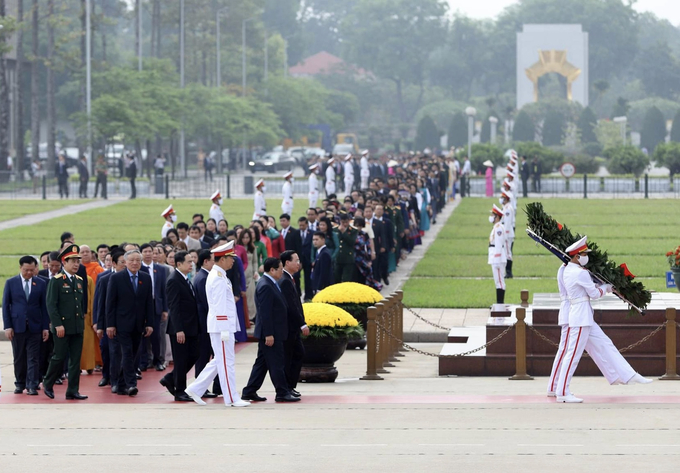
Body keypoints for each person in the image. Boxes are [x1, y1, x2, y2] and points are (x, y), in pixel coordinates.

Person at [554, 236, 652, 403]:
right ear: (577, 256)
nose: (587, 257)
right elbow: (594, 294)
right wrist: (606, 287)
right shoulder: (579, 273)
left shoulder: (569, 270)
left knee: (605, 344)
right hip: (579, 319)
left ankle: (629, 375)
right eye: (584, 254)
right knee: (573, 356)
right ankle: (562, 391)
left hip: (584, 317)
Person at [185, 242, 250, 407]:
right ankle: (232, 398)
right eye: (231, 258)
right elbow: (220, 306)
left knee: (219, 361)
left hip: (222, 326)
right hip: (222, 327)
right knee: (226, 362)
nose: (233, 261)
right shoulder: (218, 278)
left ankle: (195, 388)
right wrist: (224, 330)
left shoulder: (219, 275)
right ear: (223, 259)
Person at [242, 257, 298, 403]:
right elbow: (265, 313)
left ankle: (249, 391)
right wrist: (269, 334)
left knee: (262, 364)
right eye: (280, 269)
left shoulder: (270, 282)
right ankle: (282, 392)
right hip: (271, 333)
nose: (281, 271)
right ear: (272, 270)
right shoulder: (266, 285)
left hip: (274, 331)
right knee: (276, 363)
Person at [105, 249, 154, 396]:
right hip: (122, 324)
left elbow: (148, 303)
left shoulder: (145, 278)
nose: (135, 263)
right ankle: (131, 384)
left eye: (137, 260)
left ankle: (120, 384)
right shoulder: (116, 278)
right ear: (125, 262)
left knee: (133, 353)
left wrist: (149, 323)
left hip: (138, 324)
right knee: (127, 353)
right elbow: (110, 303)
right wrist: (110, 324)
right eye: (131, 260)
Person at [43, 244, 87, 400]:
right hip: (62, 327)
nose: (76, 264)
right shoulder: (56, 281)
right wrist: (57, 324)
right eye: (73, 261)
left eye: (78, 261)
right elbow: (51, 305)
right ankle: (48, 383)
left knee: (76, 360)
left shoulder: (80, 280)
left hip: (76, 327)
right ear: (64, 262)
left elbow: (81, 305)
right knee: (59, 356)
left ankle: (72, 390)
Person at [2, 256, 49, 395]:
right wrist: (8, 326)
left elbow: (44, 307)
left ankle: (32, 385)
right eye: (25, 270)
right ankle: (20, 383)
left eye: (31, 270)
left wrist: (45, 327)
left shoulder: (40, 283)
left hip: (35, 326)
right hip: (17, 326)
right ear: (20, 268)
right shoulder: (11, 283)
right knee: (19, 357)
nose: (28, 273)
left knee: (33, 357)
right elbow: (6, 306)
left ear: (36, 268)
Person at [160, 251, 201, 402]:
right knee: (181, 359)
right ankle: (180, 390)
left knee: (194, 354)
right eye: (188, 262)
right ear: (179, 264)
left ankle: (171, 378)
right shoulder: (174, 280)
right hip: (180, 328)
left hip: (190, 327)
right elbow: (174, 307)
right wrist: (179, 329)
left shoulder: (185, 278)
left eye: (192, 261)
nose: (191, 264)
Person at [93, 249, 126, 388]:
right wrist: (98, 324)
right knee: (107, 350)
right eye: (122, 262)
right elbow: (99, 303)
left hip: (125, 322)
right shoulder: (104, 278)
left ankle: (118, 380)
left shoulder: (133, 278)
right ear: (113, 263)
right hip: (107, 322)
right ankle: (106, 375)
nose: (125, 265)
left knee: (122, 352)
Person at [279, 251, 308, 397]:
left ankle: (290, 386)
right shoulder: (284, 280)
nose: (298, 263)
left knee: (297, 354)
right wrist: (302, 324)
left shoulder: (290, 278)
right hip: (289, 327)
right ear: (287, 263)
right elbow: (291, 306)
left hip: (293, 327)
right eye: (296, 260)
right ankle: (286, 388)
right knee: (289, 357)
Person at [139, 243, 168, 372]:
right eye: (145, 251)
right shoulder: (138, 268)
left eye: (151, 251)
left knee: (156, 335)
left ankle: (158, 360)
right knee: (142, 335)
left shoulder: (160, 269)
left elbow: (163, 290)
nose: (148, 253)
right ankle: (144, 361)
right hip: (142, 306)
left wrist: (165, 309)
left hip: (156, 305)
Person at [488, 205, 507, 305]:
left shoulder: (499, 228)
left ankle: (500, 303)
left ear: (497, 217)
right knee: (497, 281)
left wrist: (497, 259)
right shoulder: (496, 227)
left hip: (498, 258)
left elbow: (499, 244)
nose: (491, 216)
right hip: (495, 257)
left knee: (500, 281)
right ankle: (499, 303)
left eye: (493, 215)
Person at [334, 213, 358, 283]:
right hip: (338, 257)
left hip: (348, 257)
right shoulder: (335, 230)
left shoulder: (353, 230)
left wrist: (344, 232)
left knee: (346, 279)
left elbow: (352, 242)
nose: (344, 224)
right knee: (336, 278)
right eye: (342, 222)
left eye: (346, 222)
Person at [298, 217, 314, 301]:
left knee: (308, 278)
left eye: (303, 225)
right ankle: (298, 294)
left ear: (307, 224)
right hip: (298, 259)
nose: (301, 227)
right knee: (296, 277)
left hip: (308, 259)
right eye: (300, 225)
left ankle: (308, 296)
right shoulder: (296, 233)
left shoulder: (312, 233)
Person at [500, 190, 515, 279]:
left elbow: (508, 223)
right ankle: (507, 272)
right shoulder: (506, 207)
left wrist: (504, 235)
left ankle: (509, 272)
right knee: (506, 252)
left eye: (502, 198)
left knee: (508, 253)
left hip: (507, 235)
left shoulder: (508, 209)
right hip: (507, 234)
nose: (501, 199)